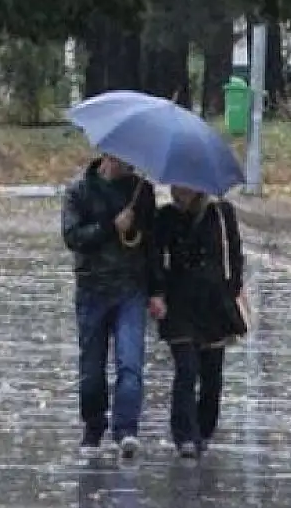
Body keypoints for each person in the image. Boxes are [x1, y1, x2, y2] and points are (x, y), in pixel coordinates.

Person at [62, 154, 166, 459]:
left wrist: (156, 290)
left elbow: (151, 245)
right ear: (108, 156)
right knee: (92, 368)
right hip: (92, 290)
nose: (130, 163)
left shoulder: (141, 192)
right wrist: (110, 226)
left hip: (130, 289)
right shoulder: (79, 191)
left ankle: (126, 430)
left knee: (130, 363)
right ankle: (93, 427)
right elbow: (73, 237)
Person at [155, 186, 244, 459]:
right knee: (186, 368)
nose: (179, 191)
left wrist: (233, 290)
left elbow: (234, 255)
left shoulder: (221, 213)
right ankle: (184, 435)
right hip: (179, 303)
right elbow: (156, 258)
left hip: (214, 304)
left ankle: (204, 430)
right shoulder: (166, 217)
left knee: (212, 374)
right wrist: (156, 293)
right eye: (176, 186)